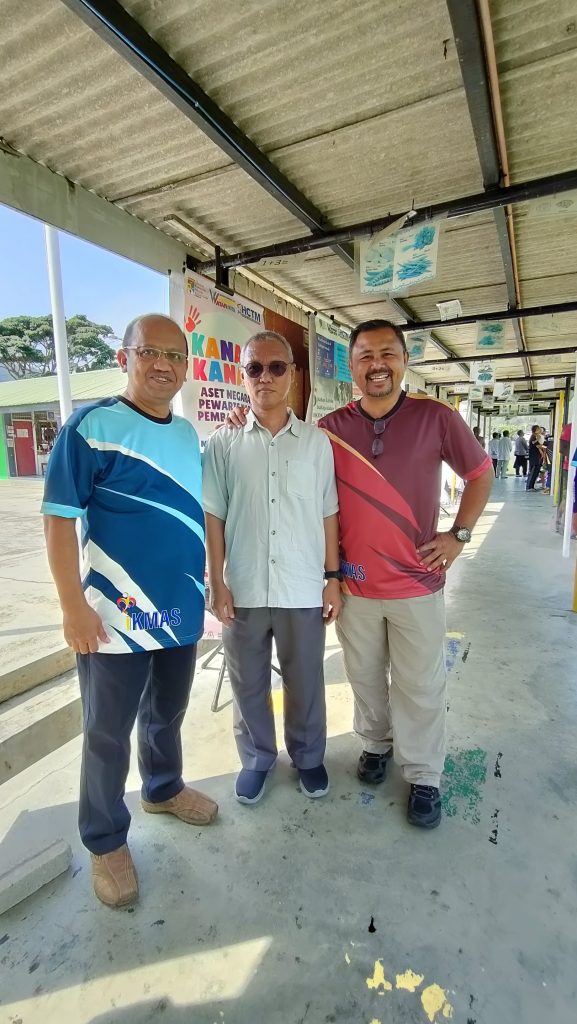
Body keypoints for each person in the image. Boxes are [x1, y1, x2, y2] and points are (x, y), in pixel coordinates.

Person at [226, 319, 493, 828]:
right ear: (351, 366)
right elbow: (280, 442)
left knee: (420, 685)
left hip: (417, 583)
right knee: (365, 678)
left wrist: (458, 535)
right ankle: (375, 745)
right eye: (366, 355)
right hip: (355, 586)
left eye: (387, 353)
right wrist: (244, 416)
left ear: (405, 360)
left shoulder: (436, 417)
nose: (377, 364)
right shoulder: (328, 431)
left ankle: (424, 774)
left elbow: (481, 474)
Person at [42, 314, 217, 908]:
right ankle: (105, 839)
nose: (163, 364)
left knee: (167, 712)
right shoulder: (90, 427)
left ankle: (163, 788)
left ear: (186, 366)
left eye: (175, 355)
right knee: (107, 733)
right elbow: (58, 520)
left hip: (179, 609)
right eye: (149, 352)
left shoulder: (188, 435)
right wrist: (72, 606)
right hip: (114, 618)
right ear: (125, 357)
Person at [203, 330, 341, 806]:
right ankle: (257, 759)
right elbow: (214, 514)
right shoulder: (223, 442)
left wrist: (333, 578)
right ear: (242, 377)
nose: (265, 377)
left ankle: (308, 756)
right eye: (254, 368)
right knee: (247, 682)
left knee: (306, 681)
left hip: (301, 585)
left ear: (293, 375)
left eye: (276, 367)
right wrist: (216, 581)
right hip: (243, 586)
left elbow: (328, 513)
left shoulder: (316, 444)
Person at [526, 424, 546, 491]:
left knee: (536, 473)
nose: (540, 430)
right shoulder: (534, 437)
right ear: (535, 430)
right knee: (533, 472)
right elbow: (538, 446)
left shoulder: (537, 436)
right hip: (535, 458)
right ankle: (529, 487)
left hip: (538, 458)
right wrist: (545, 447)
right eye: (538, 429)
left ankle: (531, 486)